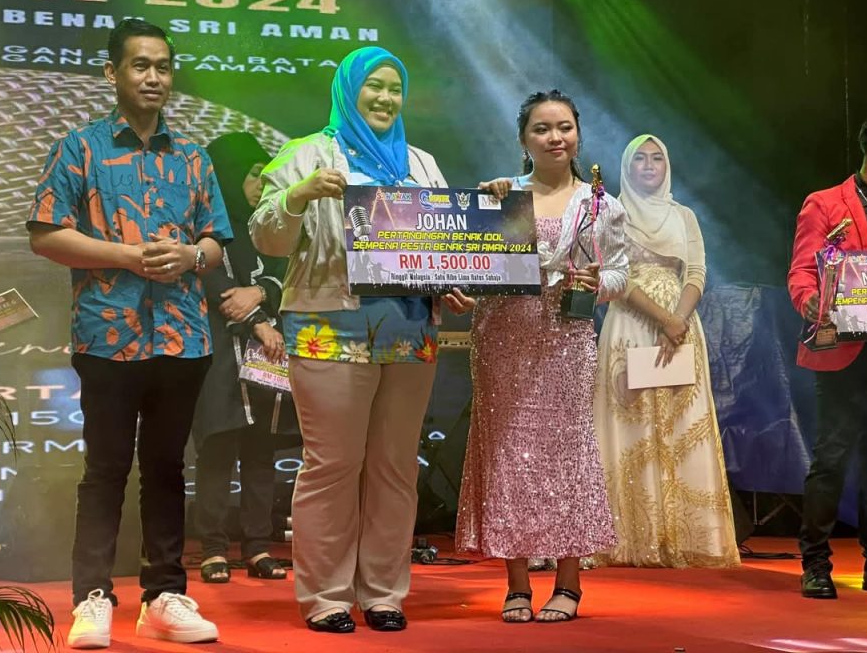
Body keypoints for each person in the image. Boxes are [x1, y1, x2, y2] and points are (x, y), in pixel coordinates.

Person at [27, 19, 230, 647]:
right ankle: (92, 596)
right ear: (112, 73)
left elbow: (216, 243)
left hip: (183, 336)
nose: (154, 77)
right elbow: (45, 235)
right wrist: (127, 256)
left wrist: (191, 256)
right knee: (106, 469)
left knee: (167, 467)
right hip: (107, 337)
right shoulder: (79, 148)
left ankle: (164, 594)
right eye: (141, 65)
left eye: (163, 67)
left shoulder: (193, 156)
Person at [249, 46, 447, 634]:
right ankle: (326, 596)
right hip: (328, 328)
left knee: (396, 467)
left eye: (394, 87)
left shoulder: (421, 164)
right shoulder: (305, 153)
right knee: (332, 464)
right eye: (373, 86)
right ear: (348, 90)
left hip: (410, 332)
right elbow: (267, 239)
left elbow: (442, 244)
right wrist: (298, 195)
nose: (385, 98)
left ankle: (384, 592)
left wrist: (453, 283)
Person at [451, 89, 628, 623]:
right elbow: (476, 267)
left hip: (566, 342)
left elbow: (622, 274)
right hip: (502, 338)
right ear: (523, 140)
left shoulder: (601, 204)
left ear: (579, 135)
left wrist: (597, 282)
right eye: (542, 129)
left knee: (566, 455)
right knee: (508, 454)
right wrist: (464, 282)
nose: (555, 138)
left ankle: (569, 582)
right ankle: (517, 584)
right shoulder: (501, 195)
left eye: (565, 127)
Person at [592, 134, 740, 568]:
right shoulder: (610, 213)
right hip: (630, 325)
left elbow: (696, 272)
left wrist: (677, 320)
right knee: (630, 422)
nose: (649, 165)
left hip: (680, 330)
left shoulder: (683, 216)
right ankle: (629, 537)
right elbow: (613, 275)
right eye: (640, 158)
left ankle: (685, 537)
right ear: (627, 167)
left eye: (657, 158)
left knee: (681, 424)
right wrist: (663, 318)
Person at [190, 131, 299, 585]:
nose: (262, 184)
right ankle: (213, 548)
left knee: (260, 449)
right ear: (229, 175)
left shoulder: (269, 227)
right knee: (218, 446)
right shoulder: (203, 225)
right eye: (255, 174)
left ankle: (258, 547)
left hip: (267, 355)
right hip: (219, 351)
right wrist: (256, 320)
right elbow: (214, 287)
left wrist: (261, 294)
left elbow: (288, 274)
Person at [787, 111, 867, 599]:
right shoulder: (825, 203)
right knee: (832, 458)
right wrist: (812, 302)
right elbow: (802, 271)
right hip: (845, 349)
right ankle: (816, 563)